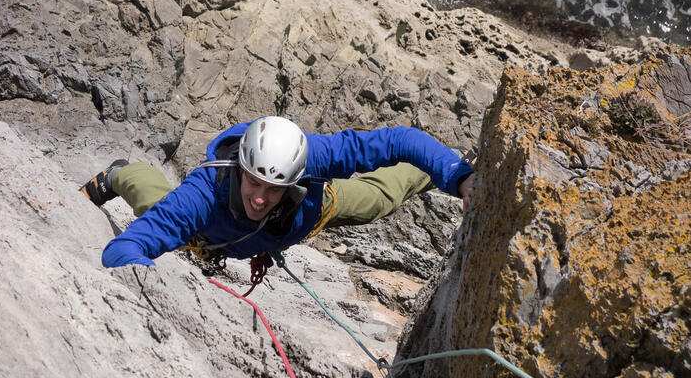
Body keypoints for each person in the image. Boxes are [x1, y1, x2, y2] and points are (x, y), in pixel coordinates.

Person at [81, 117, 475, 268]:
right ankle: (121, 173)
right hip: (206, 234)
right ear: (241, 169)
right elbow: (123, 248)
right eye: (254, 182)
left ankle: (457, 159)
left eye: (275, 189)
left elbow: (397, 141)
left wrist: (459, 176)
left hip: (305, 213)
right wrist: (150, 275)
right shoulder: (203, 194)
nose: (259, 197)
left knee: (379, 200)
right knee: (155, 205)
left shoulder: (316, 157)